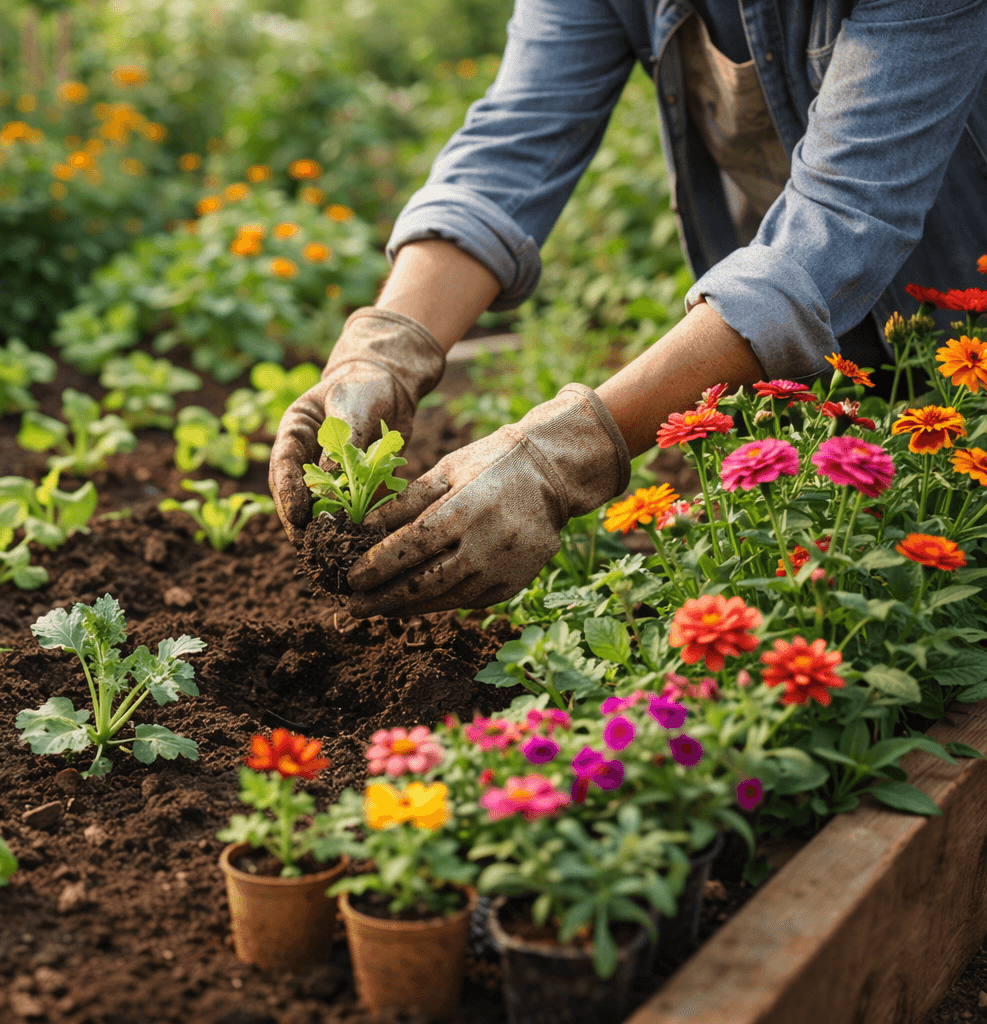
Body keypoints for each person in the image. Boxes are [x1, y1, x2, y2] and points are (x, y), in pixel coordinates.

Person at [269, 0, 987, 619]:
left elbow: (847, 213)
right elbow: (511, 149)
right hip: (821, 357)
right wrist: (386, 345)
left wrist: (565, 452)